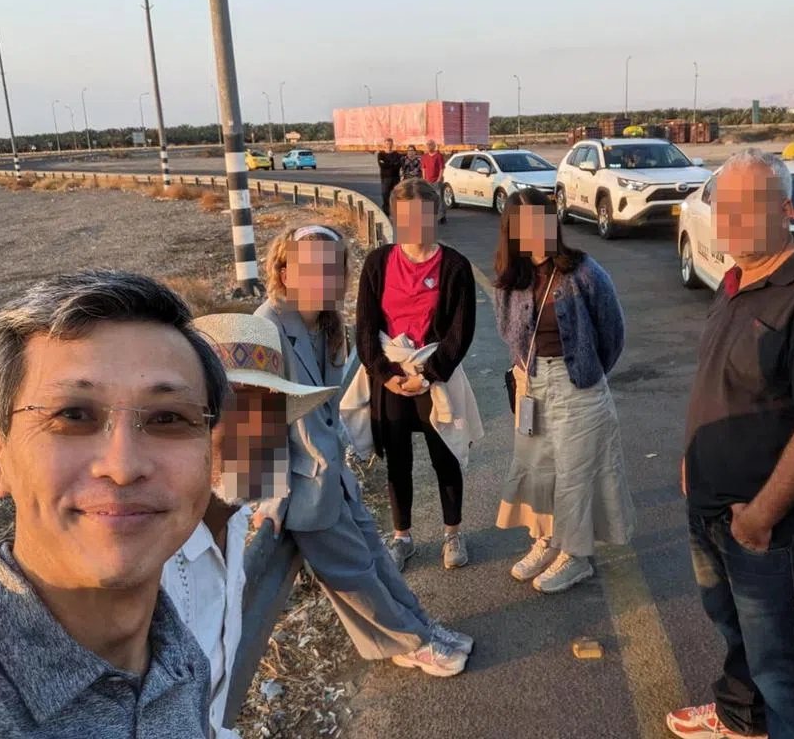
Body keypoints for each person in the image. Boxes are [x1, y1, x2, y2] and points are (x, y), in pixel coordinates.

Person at [0, 270, 224, 738]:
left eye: (168, 418)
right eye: (73, 415)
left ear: (208, 458)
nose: (122, 466)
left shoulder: (183, 663)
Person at [665, 148, 794, 739]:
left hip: (771, 530)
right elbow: (725, 384)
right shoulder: (736, 279)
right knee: (739, 633)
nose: (733, 220)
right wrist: (692, 461)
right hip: (711, 508)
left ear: (785, 208)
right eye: (725, 206)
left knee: (789, 666)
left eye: (749, 207)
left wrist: (758, 519)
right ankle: (740, 719)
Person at [254, 227, 474, 677]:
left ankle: (420, 627)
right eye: (312, 266)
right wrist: (268, 503)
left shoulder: (329, 326)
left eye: (334, 267)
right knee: (355, 573)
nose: (325, 277)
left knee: (376, 559)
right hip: (300, 487)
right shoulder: (264, 328)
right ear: (284, 270)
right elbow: (247, 424)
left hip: (334, 475)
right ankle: (412, 643)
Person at [161, 314, 334, 738]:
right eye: (236, 410)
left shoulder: (233, 522)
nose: (259, 432)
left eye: (271, 409)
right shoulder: (151, 560)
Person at [493, 188, 634, 594]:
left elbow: (613, 333)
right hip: (532, 384)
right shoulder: (511, 279)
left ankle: (577, 556)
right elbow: (510, 333)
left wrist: (587, 373)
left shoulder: (585, 271)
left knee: (575, 473)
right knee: (539, 470)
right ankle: (547, 539)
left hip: (578, 386)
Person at [351, 179, 481, 572]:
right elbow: (364, 328)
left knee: (445, 456)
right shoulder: (378, 263)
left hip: (434, 375)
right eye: (405, 217)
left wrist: (427, 375)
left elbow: (461, 331)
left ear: (435, 214)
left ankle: (453, 532)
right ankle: (403, 536)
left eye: (422, 216)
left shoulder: (455, 266)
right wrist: (387, 376)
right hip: (390, 376)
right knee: (397, 462)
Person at [421, 139, 447, 225]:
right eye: (427, 145)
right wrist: (424, 178)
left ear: (434, 146)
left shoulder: (439, 156)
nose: (428, 146)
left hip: (437, 181)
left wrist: (439, 178)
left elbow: (441, 168)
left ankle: (441, 217)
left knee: (439, 199)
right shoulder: (424, 156)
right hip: (427, 182)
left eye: (430, 144)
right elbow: (423, 168)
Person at [377, 138, 402, 215]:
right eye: (387, 144)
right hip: (385, 178)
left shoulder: (397, 154)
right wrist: (392, 164)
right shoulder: (380, 154)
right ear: (384, 145)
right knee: (385, 195)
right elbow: (382, 165)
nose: (389, 145)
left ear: (392, 144)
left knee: (396, 195)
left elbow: (398, 165)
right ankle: (386, 212)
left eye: (390, 144)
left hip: (396, 178)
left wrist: (387, 163)